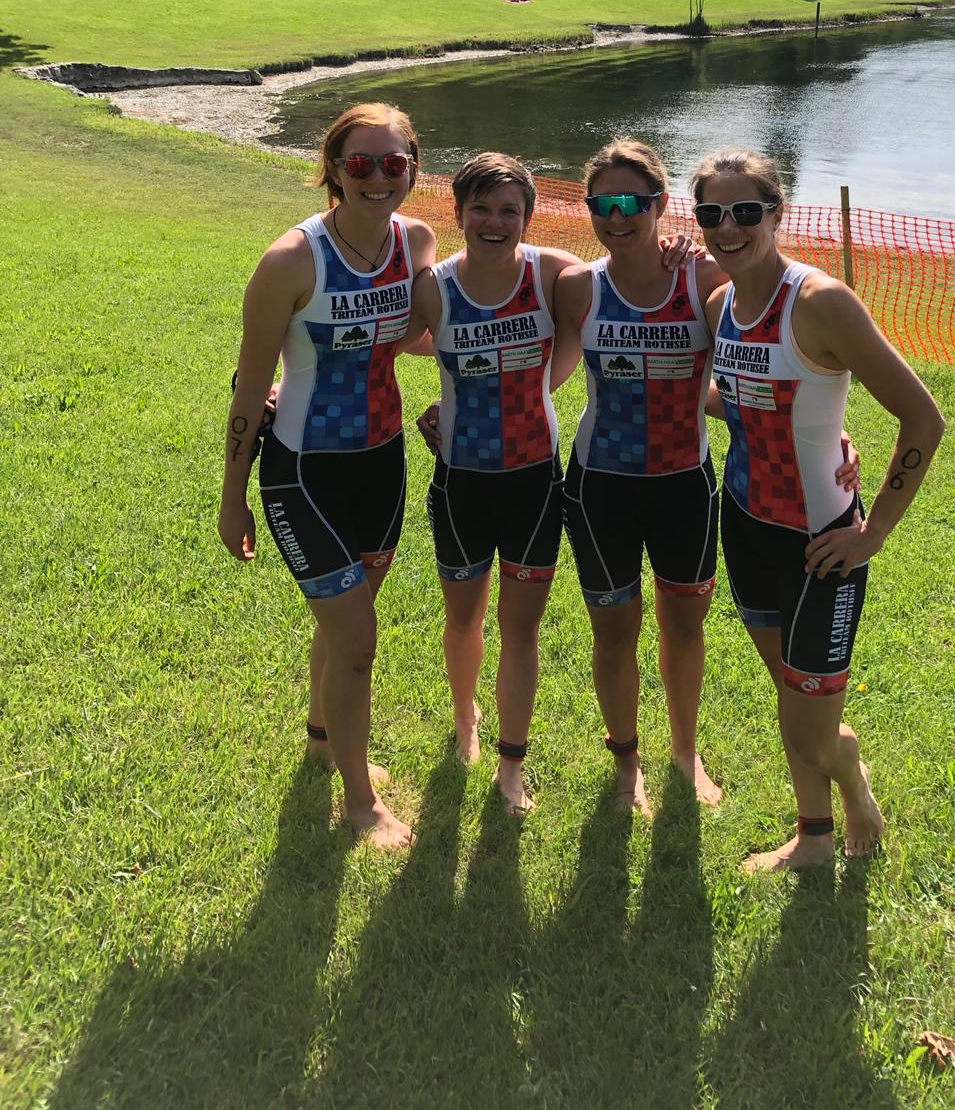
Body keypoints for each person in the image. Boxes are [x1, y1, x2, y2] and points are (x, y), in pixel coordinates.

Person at [554, 141, 861, 816]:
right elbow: (526, 356)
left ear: (661, 205)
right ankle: (626, 762)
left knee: (684, 629)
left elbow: (765, 361)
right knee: (614, 633)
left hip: (683, 486)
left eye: (633, 202)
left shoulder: (703, 281)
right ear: (589, 209)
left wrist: (826, 433)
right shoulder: (577, 286)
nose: (618, 216)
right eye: (604, 203)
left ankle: (685, 755)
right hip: (599, 485)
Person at [693, 147, 944, 871]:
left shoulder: (821, 303)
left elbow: (923, 419)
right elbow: (734, 400)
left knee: (808, 725)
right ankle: (815, 839)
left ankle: (851, 780)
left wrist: (874, 532)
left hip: (822, 544)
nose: (728, 227)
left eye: (746, 211)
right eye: (712, 213)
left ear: (777, 213)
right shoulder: (719, 306)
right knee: (792, 695)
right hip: (744, 525)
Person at [218, 102, 435, 851]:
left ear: (413, 168)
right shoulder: (290, 261)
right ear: (334, 169)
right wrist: (232, 500)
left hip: (382, 462)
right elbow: (250, 389)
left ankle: (322, 738)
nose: (379, 178)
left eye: (394, 163)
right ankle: (361, 803)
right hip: (301, 473)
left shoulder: (416, 242)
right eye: (361, 163)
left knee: (347, 622)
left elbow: (425, 329)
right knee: (357, 639)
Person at [407, 154, 580, 816]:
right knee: (464, 619)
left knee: (521, 630)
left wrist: (680, 249)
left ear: (529, 217)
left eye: (509, 210)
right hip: (462, 483)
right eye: (480, 207)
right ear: (457, 213)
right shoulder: (434, 288)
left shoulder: (554, 273)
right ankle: (465, 718)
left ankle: (512, 767)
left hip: (535, 482)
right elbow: (376, 343)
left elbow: (630, 287)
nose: (494, 222)